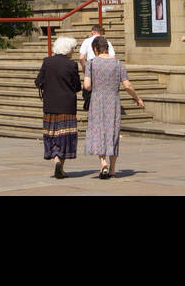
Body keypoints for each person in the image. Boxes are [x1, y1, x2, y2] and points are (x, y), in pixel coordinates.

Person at [83, 36, 145, 178]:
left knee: (99, 130)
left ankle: (103, 162)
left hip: (97, 100)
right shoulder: (118, 64)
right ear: (107, 48)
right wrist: (137, 98)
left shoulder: (91, 64)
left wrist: (96, 87)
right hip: (113, 100)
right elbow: (127, 85)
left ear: (95, 49)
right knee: (113, 132)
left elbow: (87, 85)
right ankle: (112, 169)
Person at [35, 36, 82, 178]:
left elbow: (38, 82)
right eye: (72, 49)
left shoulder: (47, 62)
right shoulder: (71, 65)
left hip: (50, 105)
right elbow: (77, 86)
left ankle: (56, 161)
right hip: (67, 106)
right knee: (65, 136)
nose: (73, 52)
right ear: (67, 49)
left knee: (52, 135)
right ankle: (60, 164)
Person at [78, 26, 115, 111]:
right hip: (104, 69)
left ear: (92, 32)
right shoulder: (107, 42)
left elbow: (81, 57)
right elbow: (113, 58)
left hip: (91, 67)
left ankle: (91, 108)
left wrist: (84, 68)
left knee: (89, 89)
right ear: (101, 32)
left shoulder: (87, 41)